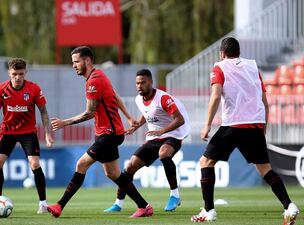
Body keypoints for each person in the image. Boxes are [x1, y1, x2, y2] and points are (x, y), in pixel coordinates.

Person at [191, 37, 299, 224]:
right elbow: (265, 103)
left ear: (222, 53)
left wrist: (207, 124)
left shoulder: (220, 67)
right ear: (238, 52)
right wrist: (263, 128)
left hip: (233, 124)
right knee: (265, 169)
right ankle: (289, 206)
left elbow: (216, 96)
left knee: (205, 162)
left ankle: (209, 211)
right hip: (255, 124)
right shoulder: (253, 68)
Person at [47, 46, 153, 218]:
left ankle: (59, 205)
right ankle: (144, 206)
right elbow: (115, 95)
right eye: (72, 62)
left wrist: (64, 122)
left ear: (87, 61)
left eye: (76, 61)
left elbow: (89, 112)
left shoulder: (93, 81)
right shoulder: (99, 76)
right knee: (112, 173)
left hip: (109, 135)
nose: (73, 65)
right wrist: (128, 116)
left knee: (81, 164)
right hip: (107, 133)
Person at [104, 69, 190, 213]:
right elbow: (148, 113)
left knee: (164, 154)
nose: (139, 86)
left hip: (174, 134)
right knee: (130, 166)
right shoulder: (139, 99)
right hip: (154, 136)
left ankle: (174, 195)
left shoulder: (163, 99)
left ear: (150, 82)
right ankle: (118, 203)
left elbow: (179, 119)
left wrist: (162, 131)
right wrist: (136, 126)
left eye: (143, 82)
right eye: (137, 83)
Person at [0, 58, 54, 214]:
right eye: (14, 74)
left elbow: (44, 112)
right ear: (9, 72)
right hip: (7, 131)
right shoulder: (1, 89)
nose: (17, 77)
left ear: (25, 73)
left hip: (28, 132)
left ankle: (43, 203)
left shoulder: (34, 89)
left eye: (21, 74)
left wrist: (48, 134)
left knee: (35, 164)